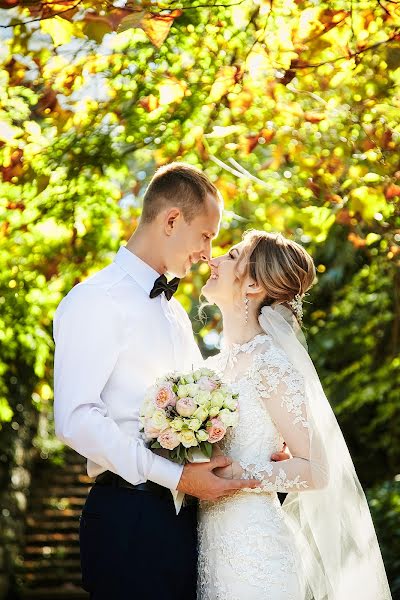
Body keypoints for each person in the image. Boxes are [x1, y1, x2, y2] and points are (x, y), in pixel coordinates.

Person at [53, 163, 284, 600]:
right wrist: (175, 477)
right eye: (205, 235)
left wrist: (257, 443)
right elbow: (76, 419)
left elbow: (202, 412)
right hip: (129, 518)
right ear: (172, 220)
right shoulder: (95, 300)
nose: (208, 252)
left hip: (184, 522)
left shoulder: (174, 313)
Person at [198, 230, 392, 600]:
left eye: (231, 255)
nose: (215, 260)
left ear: (253, 284)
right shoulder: (211, 367)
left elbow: (317, 470)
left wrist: (245, 474)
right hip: (211, 545)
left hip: (256, 554)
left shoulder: (269, 364)